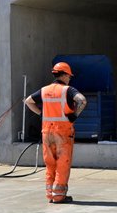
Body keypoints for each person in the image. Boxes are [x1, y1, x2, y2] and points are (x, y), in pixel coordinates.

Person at [24, 61, 87, 204]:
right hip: (63, 133)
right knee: (62, 164)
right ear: (64, 75)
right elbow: (82, 101)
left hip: (47, 132)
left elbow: (28, 101)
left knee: (50, 163)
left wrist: (41, 114)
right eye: (69, 76)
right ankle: (59, 195)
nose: (69, 79)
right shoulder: (68, 90)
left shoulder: (44, 90)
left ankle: (50, 194)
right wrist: (74, 115)